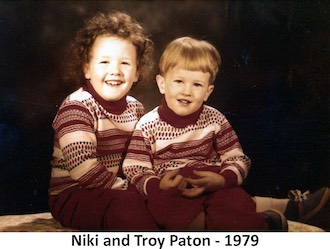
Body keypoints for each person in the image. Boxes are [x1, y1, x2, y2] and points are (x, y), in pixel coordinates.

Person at [123, 36, 290, 231]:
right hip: (173, 190)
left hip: (212, 185)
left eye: (197, 85)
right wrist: (157, 186)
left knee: (234, 200)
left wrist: (222, 179)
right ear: (162, 83)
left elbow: (238, 159)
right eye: (179, 81)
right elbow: (135, 168)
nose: (187, 91)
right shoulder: (147, 125)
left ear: (207, 92)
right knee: (163, 206)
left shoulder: (215, 119)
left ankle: (265, 225)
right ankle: (202, 230)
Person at [48, 11, 158, 230]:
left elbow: (143, 155)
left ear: (137, 72)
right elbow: (83, 169)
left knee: (160, 203)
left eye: (125, 63)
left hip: (117, 191)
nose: (115, 71)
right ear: (87, 68)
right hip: (74, 194)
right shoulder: (77, 107)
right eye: (104, 61)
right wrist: (129, 189)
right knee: (129, 207)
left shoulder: (136, 109)